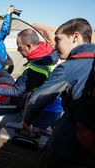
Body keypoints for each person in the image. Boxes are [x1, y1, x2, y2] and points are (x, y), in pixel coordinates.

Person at [23, 18, 95, 167]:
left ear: (75, 37)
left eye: (58, 40)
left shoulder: (69, 67)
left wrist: (27, 121)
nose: (55, 47)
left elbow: (36, 100)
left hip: (67, 148)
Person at [0, 28, 63, 130]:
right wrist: (33, 90)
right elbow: (44, 80)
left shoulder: (35, 67)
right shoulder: (47, 53)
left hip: (45, 109)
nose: (17, 50)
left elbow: (16, 91)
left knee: (31, 140)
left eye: (19, 47)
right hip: (54, 105)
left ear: (29, 46)